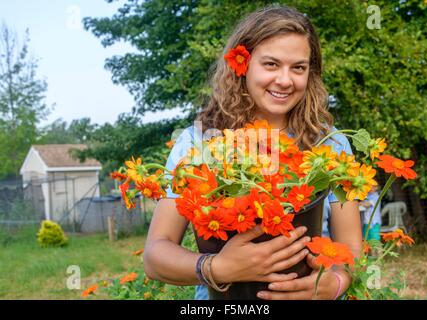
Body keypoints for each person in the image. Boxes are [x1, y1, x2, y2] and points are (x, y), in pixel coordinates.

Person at [144, 5, 362, 300]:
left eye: (298, 67)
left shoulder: (331, 145)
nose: (285, 80)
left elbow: (351, 248)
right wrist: (218, 267)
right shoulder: (199, 141)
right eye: (271, 64)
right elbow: (155, 256)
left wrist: (335, 282)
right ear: (242, 64)